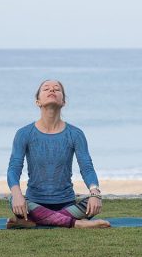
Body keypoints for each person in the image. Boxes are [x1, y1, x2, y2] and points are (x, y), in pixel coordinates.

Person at [7, 80, 110, 228]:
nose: (52, 90)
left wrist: (95, 192)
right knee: (12, 198)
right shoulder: (24, 133)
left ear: (63, 102)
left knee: (93, 201)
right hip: (33, 204)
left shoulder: (75, 134)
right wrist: (17, 194)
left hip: (66, 204)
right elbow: (14, 168)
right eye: (46, 89)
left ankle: (33, 222)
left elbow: (86, 167)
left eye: (57, 89)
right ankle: (76, 224)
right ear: (38, 102)